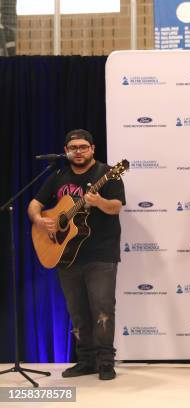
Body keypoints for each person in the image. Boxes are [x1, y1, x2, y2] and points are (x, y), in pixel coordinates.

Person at [28, 129, 126, 381]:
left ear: (93, 149)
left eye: (84, 147)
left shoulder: (108, 174)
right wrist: (40, 221)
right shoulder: (59, 176)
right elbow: (35, 205)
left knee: (103, 309)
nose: (79, 151)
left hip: (100, 253)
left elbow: (116, 207)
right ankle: (85, 361)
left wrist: (98, 202)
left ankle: (105, 362)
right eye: (74, 148)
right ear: (67, 150)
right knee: (77, 311)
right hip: (67, 255)